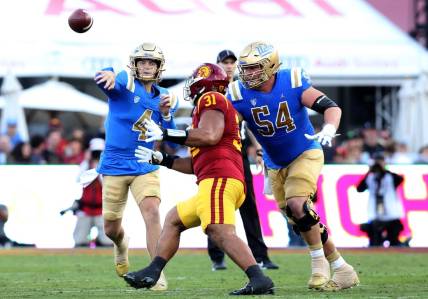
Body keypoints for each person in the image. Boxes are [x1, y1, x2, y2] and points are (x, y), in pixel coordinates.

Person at [123, 63, 274, 295]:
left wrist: (165, 133)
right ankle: (153, 271)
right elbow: (196, 164)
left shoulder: (211, 98)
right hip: (216, 180)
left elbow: (210, 136)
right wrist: (161, 158)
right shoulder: (205, 115)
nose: (191, 86)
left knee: (219, 230)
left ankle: (258, 277)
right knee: (174, 219)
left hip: (220, 180)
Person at [226, 41, 359, 291]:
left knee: (299, 205)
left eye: (255, 68)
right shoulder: (238, 93)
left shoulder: (292, 80)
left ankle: (319, 266)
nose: (248, 74)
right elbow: (228, 128)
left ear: (271, 65)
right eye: (246, 68)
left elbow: (331, 106)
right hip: (274, 163)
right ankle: (342, 268)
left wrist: (329, 128)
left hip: (305, 152)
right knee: (301, 220)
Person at [93, 42, 179, 290]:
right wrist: (106, 72)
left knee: (152, 211)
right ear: (134, 64)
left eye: (151, 62)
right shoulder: (125, 82)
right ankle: (121, 243)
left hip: (145, 160)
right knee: (110, 227)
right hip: (115, 164)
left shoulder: (164, 96)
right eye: (142, 61)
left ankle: (155, 271)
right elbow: (105, 80)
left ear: (159, 66)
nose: (146, 66)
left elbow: (170, 135)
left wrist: (166, 114)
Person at [206, 49, 278, 271]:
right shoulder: (209, 87)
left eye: (231, 62)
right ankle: (217, 257)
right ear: (217, 63)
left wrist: (258, 148)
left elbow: (251, 120)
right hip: (217, 151)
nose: (228, 66)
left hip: (237, 149)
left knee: (249, 203)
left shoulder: (242, 88)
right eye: (224, 62)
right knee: (216, 204)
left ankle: (261, 256)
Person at [356, 153, 405, 247]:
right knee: (375, 242)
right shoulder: (370, 177)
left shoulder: (390, 177)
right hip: (376, 215)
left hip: (391, 214)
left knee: (394, 240)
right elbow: (359, 189)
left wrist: (383, 170)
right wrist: (370, 171)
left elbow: (400, 179)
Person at [71, 138, 112, 248]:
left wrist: (99, 168)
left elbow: (106, 183)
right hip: (86, 210)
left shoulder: (108, 165)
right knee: (79, 241)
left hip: (102, 210)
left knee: (107, 242)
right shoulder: (86, 164)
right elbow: (80, 179)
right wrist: (87, 161)